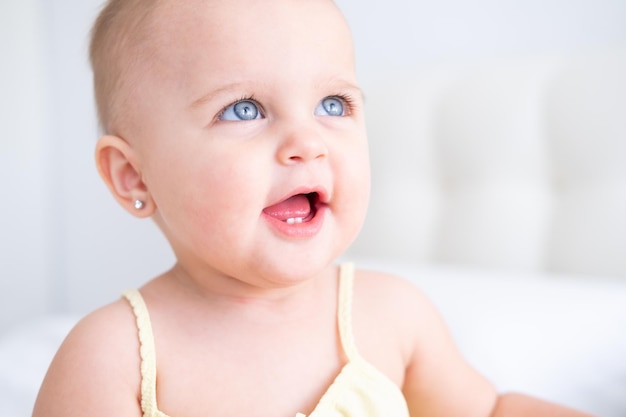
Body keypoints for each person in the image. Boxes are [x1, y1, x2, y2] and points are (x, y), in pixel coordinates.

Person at [32, 0, 595, 416]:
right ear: (135, 175)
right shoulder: (113, 357)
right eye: (244, 109)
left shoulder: (393, 315)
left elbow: (492, 410)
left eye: (333, 103)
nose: (308, 141)